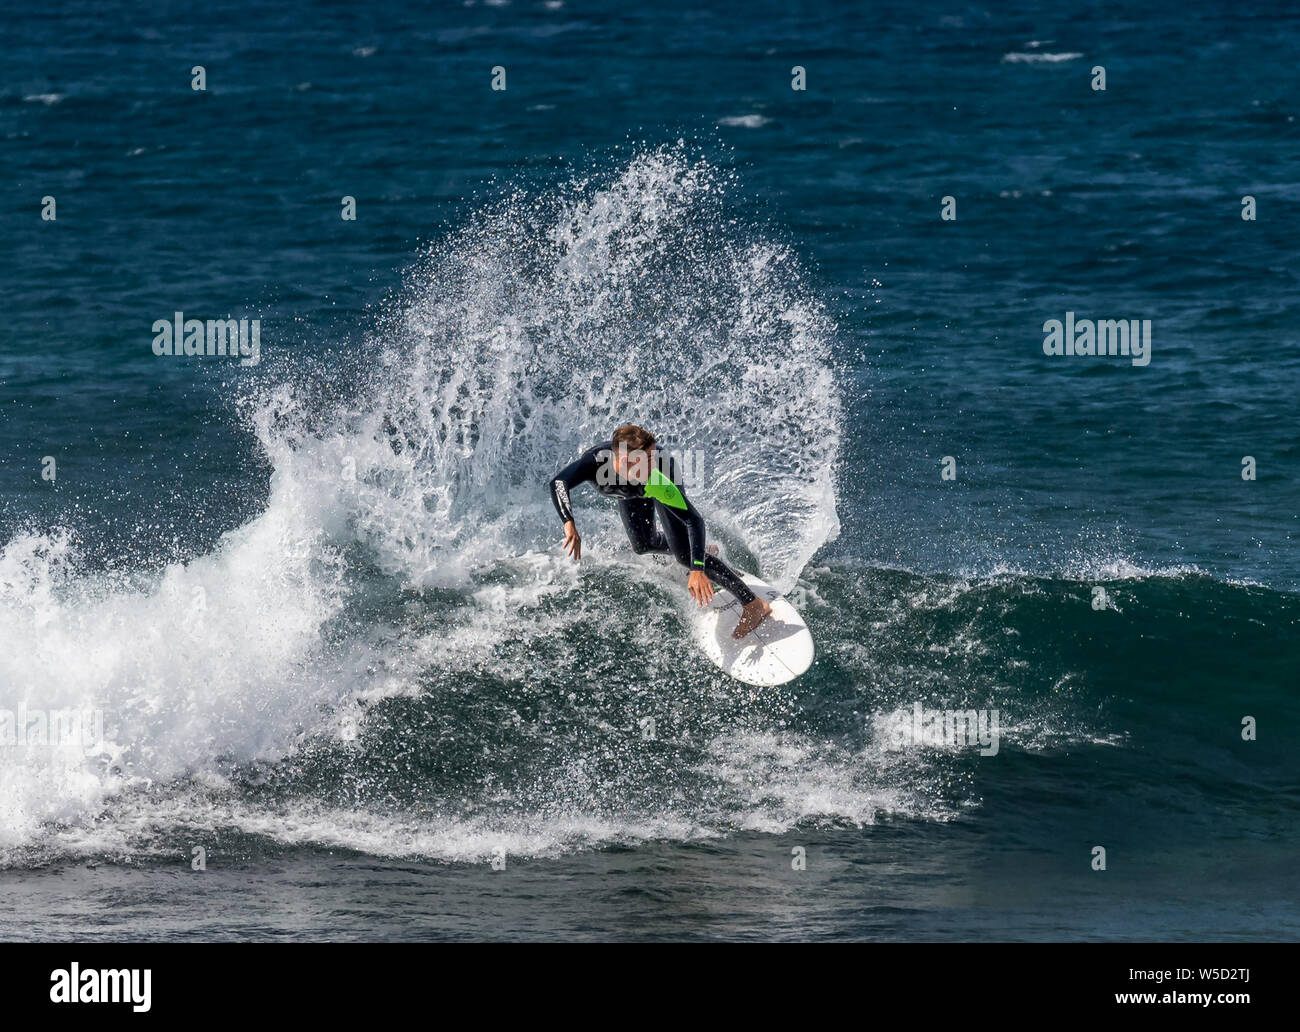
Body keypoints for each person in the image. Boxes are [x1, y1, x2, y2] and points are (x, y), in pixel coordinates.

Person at [548, 424, 772, 638]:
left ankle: (753, 604)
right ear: (626, 461)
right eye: (647, 460)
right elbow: (559, 483)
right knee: (643, 545)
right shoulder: (595, 463)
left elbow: (694, 521)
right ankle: (700, 550)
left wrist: (697, 569)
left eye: (653, 457)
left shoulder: (657, 477)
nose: (653, 464)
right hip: (631, 489)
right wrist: (569, 522)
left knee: (685, 556)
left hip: (649, 483)